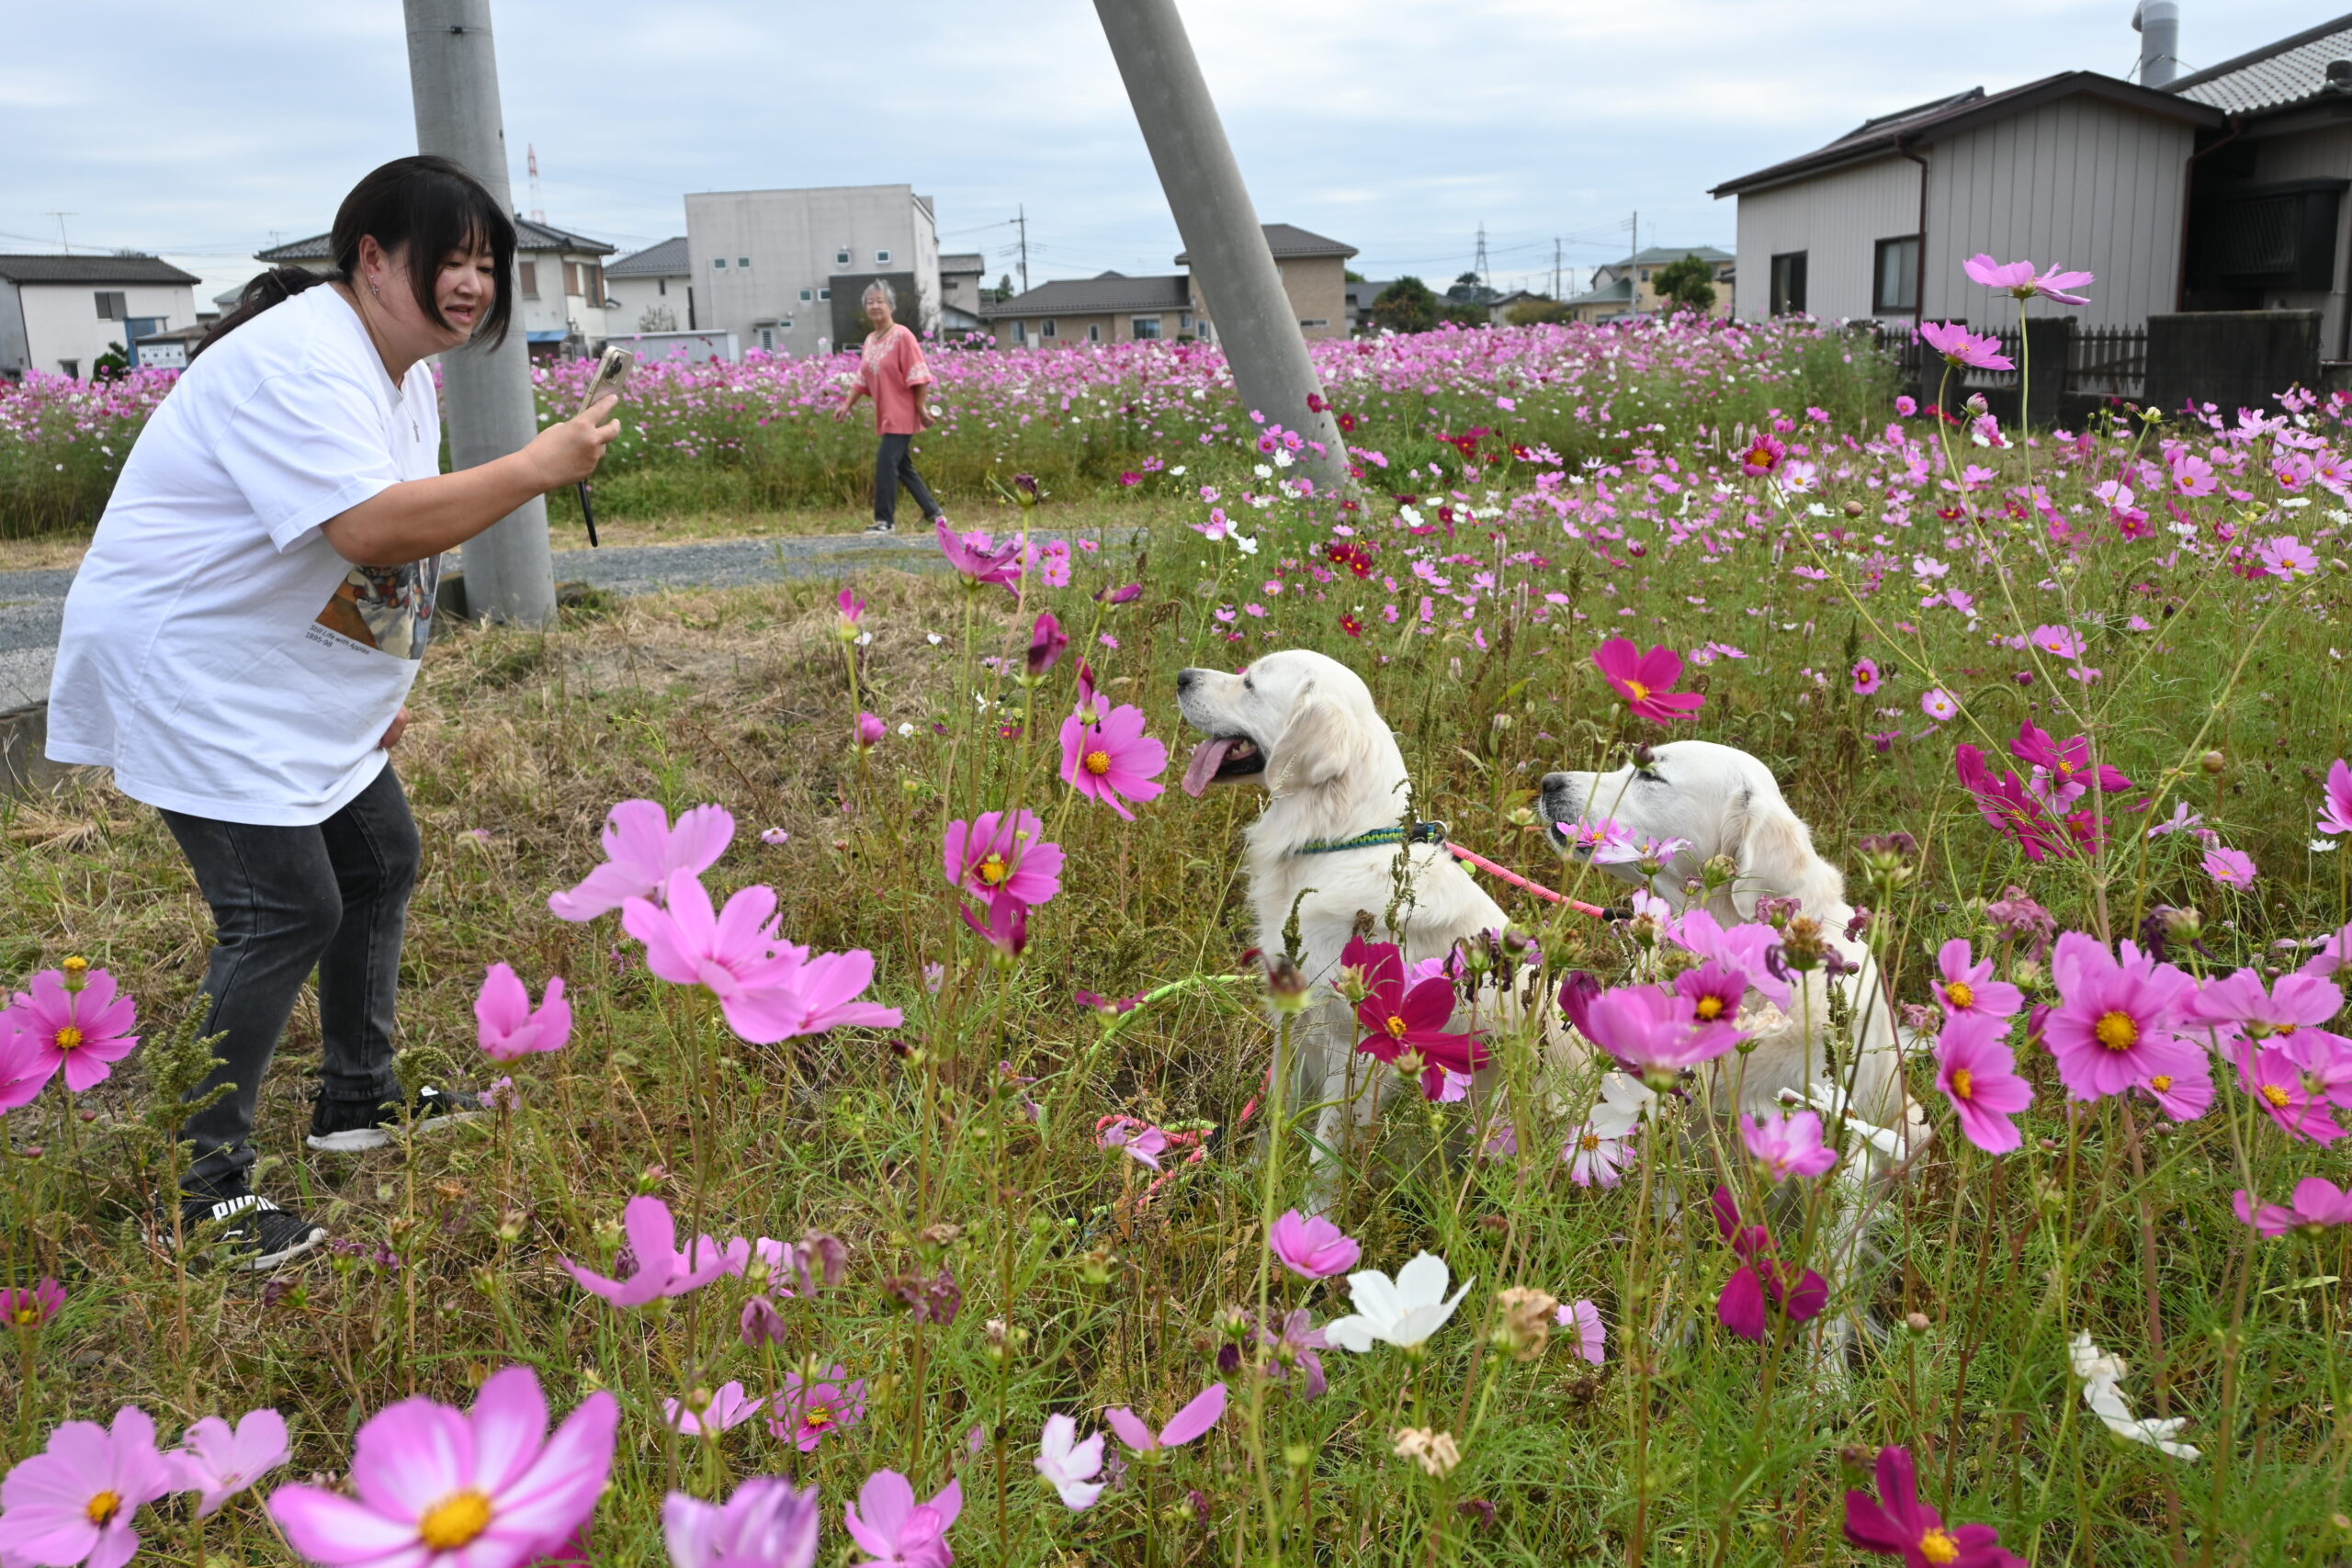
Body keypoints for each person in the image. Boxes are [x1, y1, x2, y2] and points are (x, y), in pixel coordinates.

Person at [44, 155, 620, 1270]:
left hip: (271, 670)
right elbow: (369, 530)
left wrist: (368, 699)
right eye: (448, 260)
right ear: (371, 257)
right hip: (194, 671)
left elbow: (386, 550)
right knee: (283, 911)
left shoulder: (396, 372)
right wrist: (536, 466)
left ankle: (358, 1099)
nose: (472, 285)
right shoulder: (304, 359)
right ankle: (200, 1193)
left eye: (486, 265)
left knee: (378, 856)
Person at [835, 279, 942, 534]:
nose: (875, 306)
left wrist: (921, 409)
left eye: (880, 301)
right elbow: (862, 378)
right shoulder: (871, 340)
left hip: (902, 413)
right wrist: (846, 405)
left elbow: (920, 374)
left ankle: (885, 521)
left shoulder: (902, 336)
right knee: (902, 466)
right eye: (870, 302)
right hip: (886, 413)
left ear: (891, 306)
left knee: (886, 461)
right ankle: (934, 513)